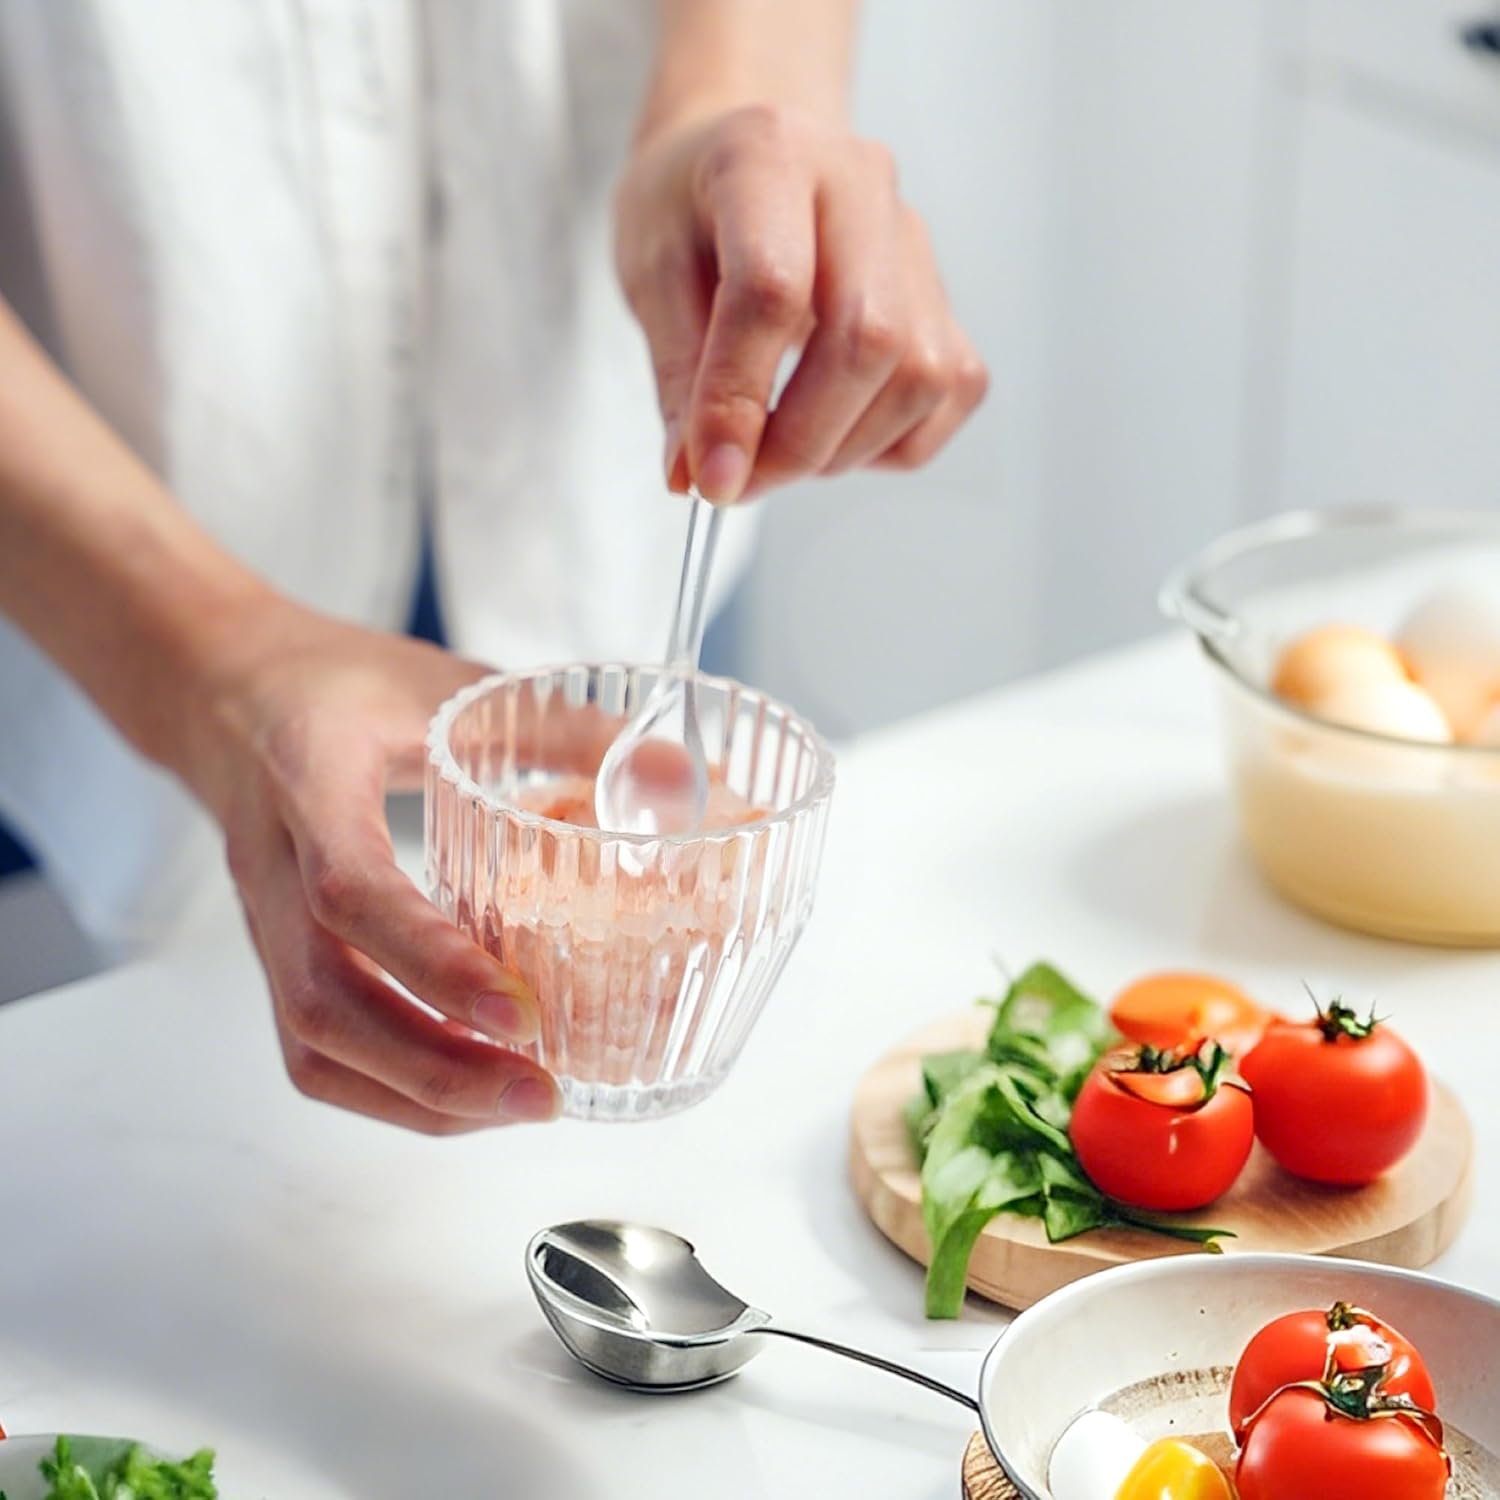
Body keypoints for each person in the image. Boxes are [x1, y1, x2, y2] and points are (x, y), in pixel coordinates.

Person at [0, 0, 985, 1133]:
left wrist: (734, 96)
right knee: (103, 1121)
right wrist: (209, 657)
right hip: (94, 511)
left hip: (596, 473)